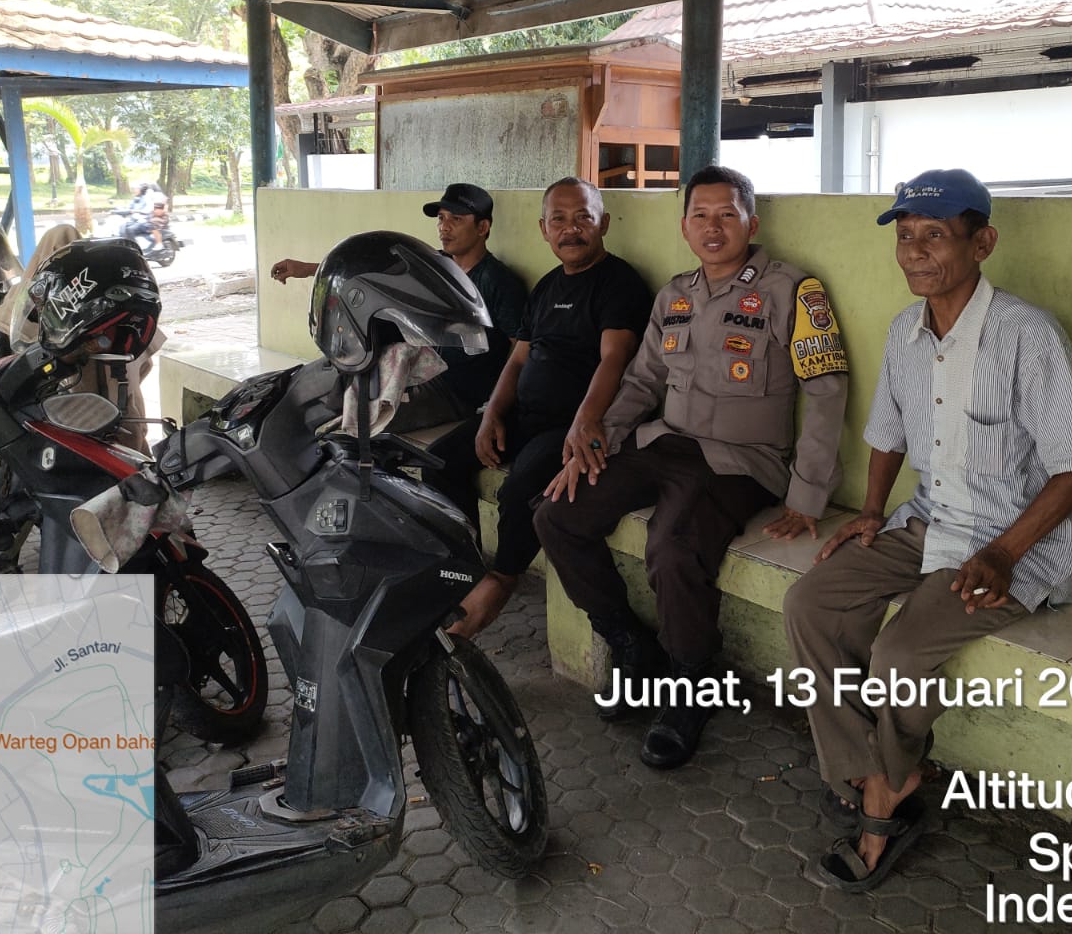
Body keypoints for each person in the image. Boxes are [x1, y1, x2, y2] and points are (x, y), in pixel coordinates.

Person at [782, 168, 1072, 893]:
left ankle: (883, 801)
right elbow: (889, 432)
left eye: (935, 235)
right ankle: (873, 769)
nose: (915, 252)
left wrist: (1004, 552)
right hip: (931, 519)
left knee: (898, 652)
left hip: (1018, 543)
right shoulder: (906, 332)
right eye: (906, 236)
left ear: (981, 243)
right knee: (811, 603)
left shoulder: (1028, 335)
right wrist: (872, 511)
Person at [535, 165, 849, 771]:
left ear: (752, 224)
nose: (713, 227)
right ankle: (631, 645)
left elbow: (827, 392)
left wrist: (807, 494)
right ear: (684, 227)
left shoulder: (793, 291)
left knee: (672, 546)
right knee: (557, 515)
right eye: (700, 216)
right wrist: (597, 443)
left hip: (740, 462)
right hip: (664, 444)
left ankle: (691, 681)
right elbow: (642, 380)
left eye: (727, 214)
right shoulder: (674, 295)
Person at [424, 178, 651, 639]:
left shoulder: (619, 283)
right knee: (438, 463)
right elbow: (518, 359)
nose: (571, 229)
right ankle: (463, 568)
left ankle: (501, 580)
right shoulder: (548, 286)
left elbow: (615, 357)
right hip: (523, 416)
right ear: (544, 229)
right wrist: (491, 414)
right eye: (559, 220)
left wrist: (586, 419)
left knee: (520, 489)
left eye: (583, 217)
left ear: (603, 223)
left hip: (569, 425)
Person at [271, 182, 528, 426]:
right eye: (441, 218)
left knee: (367, 419)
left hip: (455, 390)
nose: (444, 227)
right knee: (327, 390)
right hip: (417, 369)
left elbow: (519, 350)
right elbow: (370, 277)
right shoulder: (436, 266)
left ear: (482, 227)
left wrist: (497, 404)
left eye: (456, 219)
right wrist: (305, 269)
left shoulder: (499, 282)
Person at [0, 223, 167, 454]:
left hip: (91, 447)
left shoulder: (68, 326)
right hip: (129, 443)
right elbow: (144, 365)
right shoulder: (127, 322)